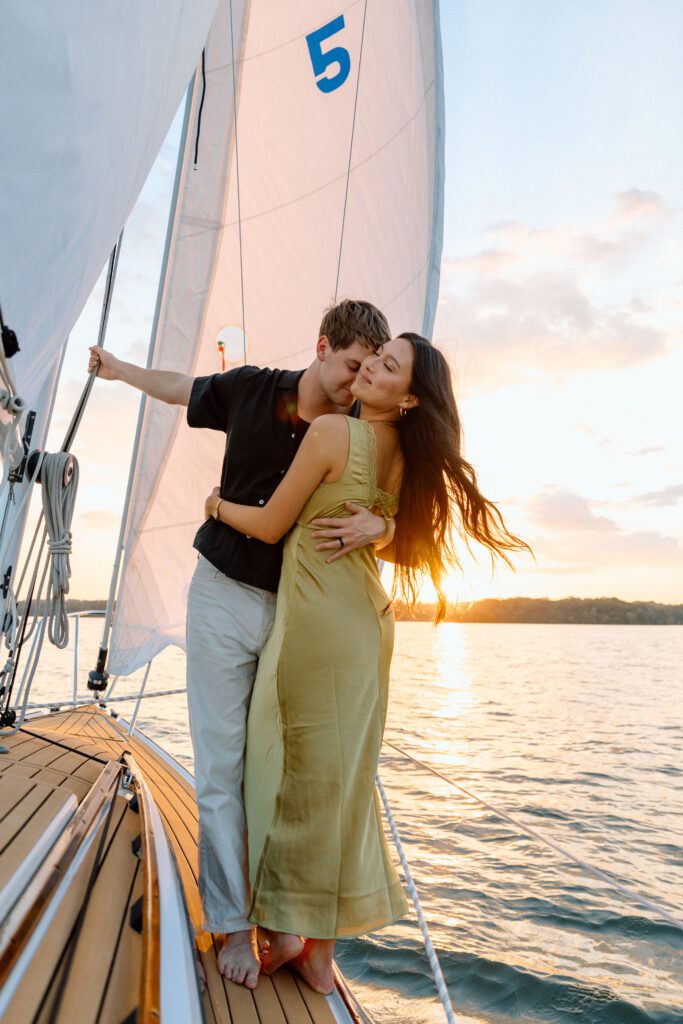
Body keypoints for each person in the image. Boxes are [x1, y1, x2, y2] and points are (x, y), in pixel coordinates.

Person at [204, 332, 529, 994]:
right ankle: (316, 949)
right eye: (374, 357)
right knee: (339, 785)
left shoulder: (328, 434)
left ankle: (290, 931)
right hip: (366, 627)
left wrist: (213, 505)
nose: (369, 370)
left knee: (285, 774)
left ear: (408, 397)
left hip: (317, 625)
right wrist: (380, 529)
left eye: (386, 367)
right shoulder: (410, 458)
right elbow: (417, 549)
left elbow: (267, 526)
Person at [88, 299, 393, 989]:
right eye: (350, 366)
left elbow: (402, 509)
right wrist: (118, 372)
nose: (356, 382)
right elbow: (182, 387)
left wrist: (381, 530)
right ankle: (231, 923)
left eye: (368, 371)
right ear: (322, 347)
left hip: (299, 616)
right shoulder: (253, 387)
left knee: (276, 774)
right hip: (224, 596)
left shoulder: (354, 430)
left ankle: (283, 917)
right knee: (221, 767)